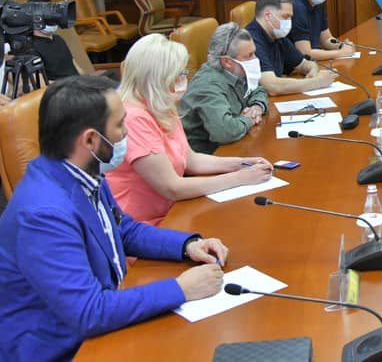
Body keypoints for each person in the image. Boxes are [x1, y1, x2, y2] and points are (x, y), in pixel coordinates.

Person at [0, 76, 228, 361]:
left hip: (102, 322)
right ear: (90, 139)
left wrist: (187, 245)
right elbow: (88, 312)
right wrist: (180, 289)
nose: (126, 133)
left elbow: (123, 230)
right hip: (63, 350)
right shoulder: (42, 214)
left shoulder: (82, 171)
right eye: (120, 125)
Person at [106, 34, 273, 225]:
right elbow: (172, 187)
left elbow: (191, 160)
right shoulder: (133, 118)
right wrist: (238, 178)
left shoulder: (161, 104)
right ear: (157, 78)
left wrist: (241, 163)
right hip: (144, 225)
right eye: (178, 74)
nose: (183, 78)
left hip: (174, 210)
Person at [179, 23, 269, 155]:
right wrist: (249, 119)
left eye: (254, 53)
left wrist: (257, 107)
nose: (255, 59)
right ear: (227, 62)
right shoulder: (207, 86)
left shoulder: (237, 71)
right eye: (249, 56)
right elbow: (225, 132)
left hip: (234, 145)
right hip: (206, 155)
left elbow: (258, 89)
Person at [247, 0, 334, 96]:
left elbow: (304, 63)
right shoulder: (250, 40)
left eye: (290, 17)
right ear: (268, 16)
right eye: (285, 17)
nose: (289, 22)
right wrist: (317, 82)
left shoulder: (278, 36)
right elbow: (272, 86)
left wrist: (313, 70)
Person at [291, 0, 356, 62]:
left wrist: (342, 45)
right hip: (296, 67)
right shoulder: (296, 8)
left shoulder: (318, 3)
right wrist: (341, 53)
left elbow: (326, 39)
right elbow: (306, 53)